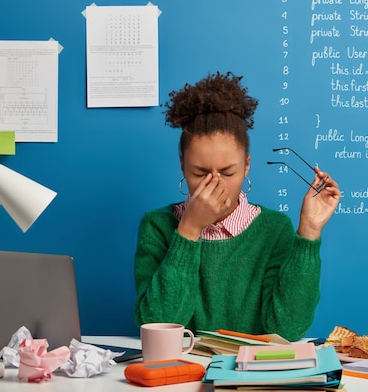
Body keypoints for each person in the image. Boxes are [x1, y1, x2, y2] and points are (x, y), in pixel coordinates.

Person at [133, 72, 341, 341]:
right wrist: (189, 229)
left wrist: (309, 232)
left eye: (228, 173)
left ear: (247, 166)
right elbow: (156, 325)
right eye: (199, 173)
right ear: (182, 165)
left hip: (250, 376)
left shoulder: (274, 229)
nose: (215, 185)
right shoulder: (157, 226)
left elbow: (287, 329)